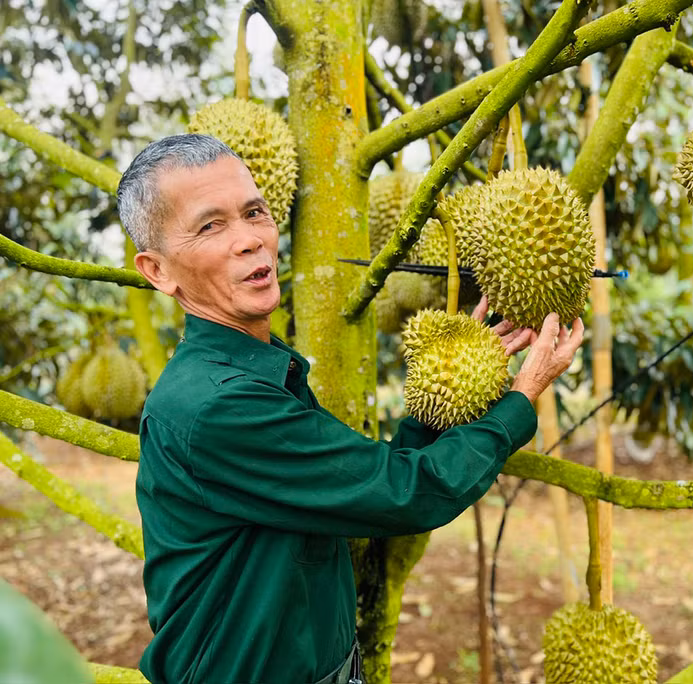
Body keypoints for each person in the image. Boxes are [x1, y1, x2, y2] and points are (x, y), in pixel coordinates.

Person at [119, 133, 584, 684]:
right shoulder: (220, 405)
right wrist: (519, 399)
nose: (250, 240)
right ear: (158, 271)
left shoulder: (257, 372)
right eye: (210, 225)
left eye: (254, 212)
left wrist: (448, 383)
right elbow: (407, 492)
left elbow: (359, 484)